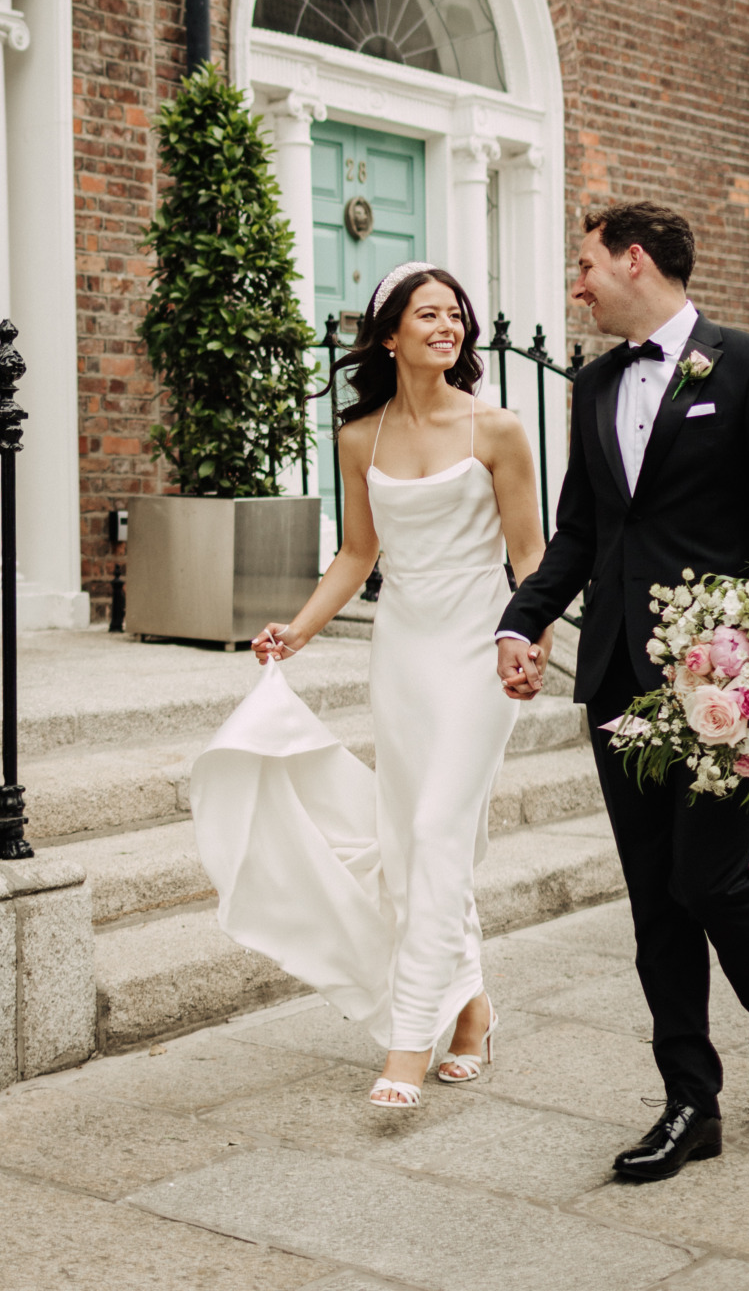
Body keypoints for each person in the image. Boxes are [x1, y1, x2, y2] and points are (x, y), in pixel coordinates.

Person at [495, 202, 749, 1181]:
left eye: (585, 264)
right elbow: (580, 532)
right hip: (617, 683)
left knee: (708, 875)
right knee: (653, 900)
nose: (576, 284)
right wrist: (523, 619)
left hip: (725, 679)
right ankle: (690, 1102)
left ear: (634, 260)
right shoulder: (596, 381)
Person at [191, 262, 551, 1110]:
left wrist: (530, 636)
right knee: (414, 839)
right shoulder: (361, 438)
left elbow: (532, 556)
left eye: (456, 315)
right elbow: (358, 555)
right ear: (389, 335)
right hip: (403, 656)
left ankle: (406, 1041)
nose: (448, 327)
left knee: (433, 827)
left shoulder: (497, 430)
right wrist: (299, 629)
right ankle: (474, 1013)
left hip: (478, 654)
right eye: (428, 315)